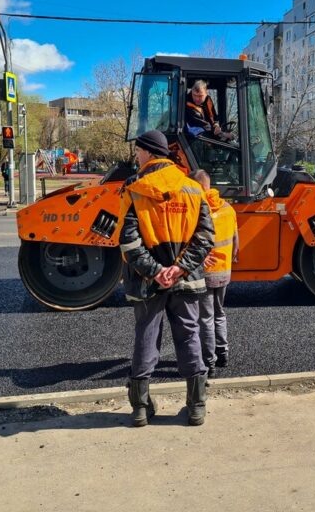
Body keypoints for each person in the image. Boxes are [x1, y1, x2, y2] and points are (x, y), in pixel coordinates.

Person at [118, 130, 215, 427]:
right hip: (186, 279)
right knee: (189, 337)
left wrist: (156, 271)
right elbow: (205, 238)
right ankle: (196, 406)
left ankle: (140, 409)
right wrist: (179, 268)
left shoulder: (134, 188)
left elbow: (128, 241)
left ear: (147, 152)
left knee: (146, 338)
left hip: (146, 281)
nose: (136, 155)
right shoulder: (193, 189)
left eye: (138, 150)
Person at [189, 169, 239, 377]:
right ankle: (223, 353)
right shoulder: (228, 208)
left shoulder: (198, 209)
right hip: (224, 270)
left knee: (205, 318)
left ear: (197, 186)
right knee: (220, 313)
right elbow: (236, 241)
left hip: (206, 272)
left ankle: (208, 363)